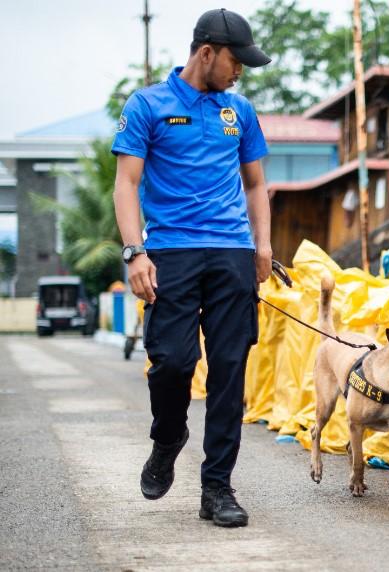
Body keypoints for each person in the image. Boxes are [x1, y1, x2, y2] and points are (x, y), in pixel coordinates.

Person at [112, 8, 272, 528]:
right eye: (235, 61)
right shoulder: (148, 105)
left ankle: (218, 487)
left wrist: (262, 246)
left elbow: (254, 183)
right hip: (172, 254)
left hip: (231, 252)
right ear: (206, 52)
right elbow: (126, 184)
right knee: (174, 363)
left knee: (229, 370)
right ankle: (168, 438)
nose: (239, 72)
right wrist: (135, 252)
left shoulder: (239, 111)